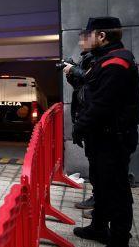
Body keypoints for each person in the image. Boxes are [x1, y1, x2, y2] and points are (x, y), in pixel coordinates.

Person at [71, 17, 139, 247]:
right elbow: (89, 90)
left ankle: (119, 238)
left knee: (116, 189)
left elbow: (101, 104)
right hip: (101, 136)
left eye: (88, 35)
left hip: (112, 137)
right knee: (101, 184)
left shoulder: (116, 63)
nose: (84, 40)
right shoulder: (105, 60)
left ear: (101, 36)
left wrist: (80, 126)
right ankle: (99, 227)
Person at [63, 32, 96, 217]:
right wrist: (72, 72)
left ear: (99, 37)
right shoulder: (89, 59)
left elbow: (90, 81)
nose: (80, 42)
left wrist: (74, 70)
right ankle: (97, 200)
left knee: (103, 169)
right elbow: (81, 84)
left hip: (102, 126)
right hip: (90, 122)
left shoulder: (100, 60)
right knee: (95, 165)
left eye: (84, 39)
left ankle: (102, 207)